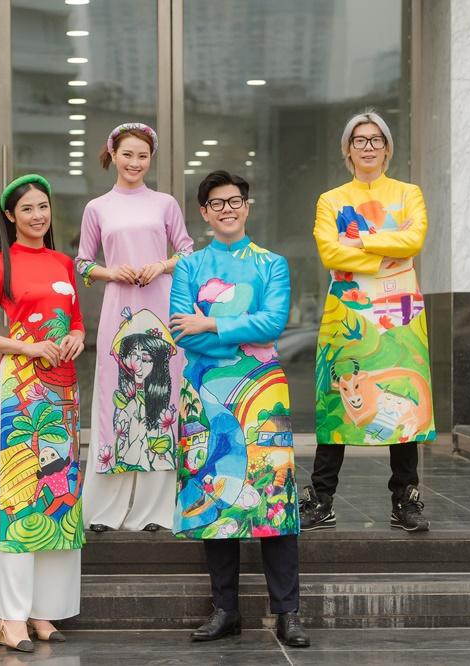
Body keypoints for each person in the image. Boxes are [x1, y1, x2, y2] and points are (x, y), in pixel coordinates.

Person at [169, 170, 308, 647]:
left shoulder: (272, 264)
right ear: (204, 213)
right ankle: (225, 609)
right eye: (217, 203)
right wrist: (239, 334)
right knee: (215, 494)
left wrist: (210, 323)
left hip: (263, 394)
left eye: (234, 201)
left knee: (274, 497)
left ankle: (287, 611)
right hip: (204, 393)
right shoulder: (189, 266)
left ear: (247, 206)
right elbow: (180, 331)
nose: (227, 209)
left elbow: (273, 325)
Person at [0, 174, 85, 653]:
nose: (38, 215)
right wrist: (26, 346)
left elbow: (76, 321)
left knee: (58, 498)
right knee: (20, 498)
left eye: (43, 206)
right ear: (11, 217)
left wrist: (76, 337)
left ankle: (43, 611)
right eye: (27, 209)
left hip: (63, 390)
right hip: (21, 391)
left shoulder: (63, 263)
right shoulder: (0, 265)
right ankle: (10, 618)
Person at [301, 110, 434, 533]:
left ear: (387, 148)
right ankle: (322, 499)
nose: (368, 147)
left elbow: (415, 240)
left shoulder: (409, 193)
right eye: (359, 140)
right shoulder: (331, 199)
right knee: (336, 402)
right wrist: (389, 254)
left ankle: (405, 500)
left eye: (376, 139)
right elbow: (330, 252)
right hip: (349, 314)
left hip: (400, 315)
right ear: (348, 149)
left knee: (402, 404)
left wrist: (359, 239)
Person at [76, 123, 194, 533]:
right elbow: (82, 263)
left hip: (160, 306)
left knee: (162, 398)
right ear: (113, 155)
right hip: (119, 310)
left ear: (151, 159)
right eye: (127, 154)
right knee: (117, 399)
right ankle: (105, 511)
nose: (135, 162)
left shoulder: (165, 204)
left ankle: (155, 511)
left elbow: (188, 251)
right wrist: (110, 272)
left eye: (142, 156)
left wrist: (161, 265)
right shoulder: (98, 208)